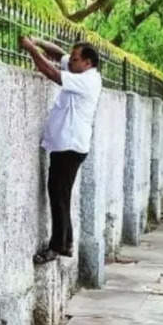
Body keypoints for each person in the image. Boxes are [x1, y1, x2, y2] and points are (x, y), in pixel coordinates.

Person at [20, 36, 102, 265]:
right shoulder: (80, 71)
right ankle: (65, 242)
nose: (70, 61)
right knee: (60, 193)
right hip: (66, 145)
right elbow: (59, 55)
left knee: (58, 194)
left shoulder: (88, 80)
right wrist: (39, 41)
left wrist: (31, 49)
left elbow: (52, 72)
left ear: (87, 63)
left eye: (75, 59)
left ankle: (57, 246)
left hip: (70, 146)